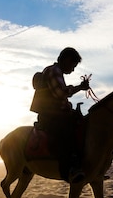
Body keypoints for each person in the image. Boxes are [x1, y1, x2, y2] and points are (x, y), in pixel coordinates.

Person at [30, 47, 90, 183]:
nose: (73, 69)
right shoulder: (54, 71)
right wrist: (80, 87)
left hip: (56, 114)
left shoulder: (56, 72)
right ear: (67, 60)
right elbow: (61, 93)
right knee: (68, 133)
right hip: (52, 117)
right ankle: (71, 168)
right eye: (73, 65)